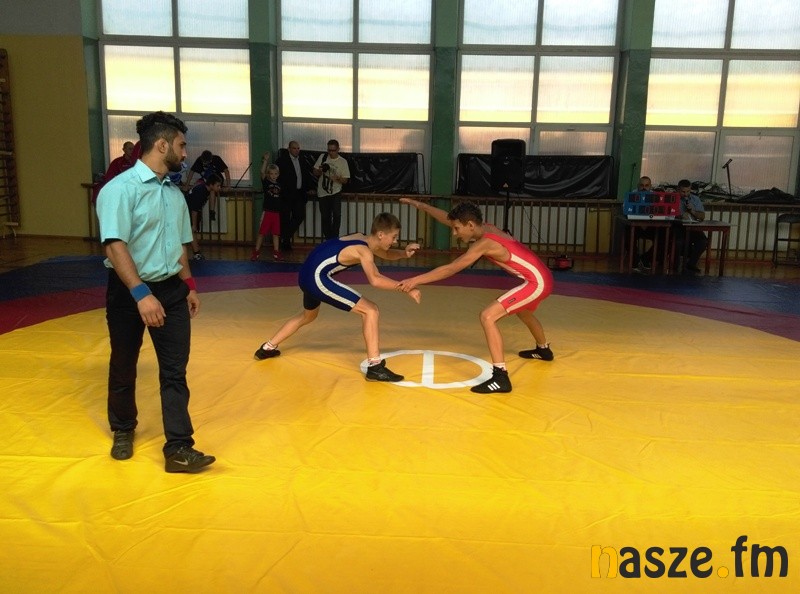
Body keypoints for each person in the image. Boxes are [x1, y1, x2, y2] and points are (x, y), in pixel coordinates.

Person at [95, 111, 215, 474]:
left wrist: (189, 286)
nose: (185, 152)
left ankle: (178, 447)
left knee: (174, 371)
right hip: (129, 292)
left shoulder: (173, 194)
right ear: (162, 145)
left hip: (171, 290)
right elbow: (114, 245)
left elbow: (180, 245)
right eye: (181, 145)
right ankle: (123, 428)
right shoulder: (119, 189)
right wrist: (141, 294)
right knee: (124, 363)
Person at [398, 199, 554, 394]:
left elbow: (451, 268)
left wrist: (415, 280)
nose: (454, 233)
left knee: (488, 316)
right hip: (543, 277)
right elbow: (449, 219)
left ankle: (500, 377)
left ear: (470, 225)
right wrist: (422, 206)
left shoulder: (485, 244)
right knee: (523, 312)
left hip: (537, 283)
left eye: (457, 229)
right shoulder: (486, 228)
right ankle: (543, 349)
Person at [253, 212, 421, 382]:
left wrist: (403, 254)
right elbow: (375, 280)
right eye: (394, 237)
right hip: (316, 278)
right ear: (381, 234)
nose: (395, 241)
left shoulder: (360, 237)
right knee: (370, 310)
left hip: (305, 274)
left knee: (308, 316)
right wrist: (407, 288)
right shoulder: (363, 251)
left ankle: (267, 348)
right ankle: (375, 367)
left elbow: (384, 253)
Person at [275, 140, 309, 251]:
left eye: (298, 148)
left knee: (299, 216)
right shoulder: (281, 161)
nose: (297, 150)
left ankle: (285, 237)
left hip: (299, 193)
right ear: (289, 149)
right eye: (294, 148)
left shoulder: (302, 160)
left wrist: (308, 189)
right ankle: (285, 242)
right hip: (286, 194)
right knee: (284, 218)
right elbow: (277, 177)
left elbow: (305, 175)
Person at [313, 139, 350, 240]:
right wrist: (320, 171)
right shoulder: (323, 157)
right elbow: (314, 172)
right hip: (322, 192)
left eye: (333, 150)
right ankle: (328, 239)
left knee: (337, 215)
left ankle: (334, 238)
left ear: (338, 149)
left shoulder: (343, 162)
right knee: (325, 217)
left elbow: (345, 180)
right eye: (329, 150)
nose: (331, 152)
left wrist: (337, 178)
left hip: (336, 191)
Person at [185, 172, 223, 261]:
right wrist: (194, 224)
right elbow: (194, 209)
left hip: (188, 211)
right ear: (211, 185)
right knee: (191, 231)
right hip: (186, 211)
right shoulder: (201, 191)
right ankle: (196, 253)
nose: (219, 188)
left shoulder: (205, 190)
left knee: (191, 232)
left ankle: (197, 253)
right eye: (218, 186)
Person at [185, 149, 230, 221]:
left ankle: (212, 211)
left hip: (217, 180)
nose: (205, 163)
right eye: (204, 162)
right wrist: (187, 185)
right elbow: (191, 171)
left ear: (211, 159)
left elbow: (226, 171)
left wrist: (228, 185)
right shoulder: (199, 160)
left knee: (212, 190)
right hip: (205, 180)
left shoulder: (216, 159)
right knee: (196, 186)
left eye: (207, 162)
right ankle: (192, 207)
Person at [251, 160, 282, 261]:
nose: (273, 176)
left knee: (276, 233)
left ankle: (276, 253)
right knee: (262, 233)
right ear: (268, 174)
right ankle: (256, 252)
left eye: (275, 173)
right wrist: (265, 161)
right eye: (271, 174)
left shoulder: (279, 185)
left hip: (276, 213)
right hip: (267, 212)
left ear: (278, 174)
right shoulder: (266, 183)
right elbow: (262, 172)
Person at [675, 179, 708, 273]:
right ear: (678, 190)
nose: (686, 194)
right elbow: (667, 214)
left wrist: (692, 211)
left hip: (693, 227)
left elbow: (702, 216)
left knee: (703, 241)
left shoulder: (695, 199)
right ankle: (675, 265)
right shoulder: (673, 198)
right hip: (678, 226)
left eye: (688, 191)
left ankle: (691, 264)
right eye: (683, 192)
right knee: (678, 242)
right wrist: (680, 216)